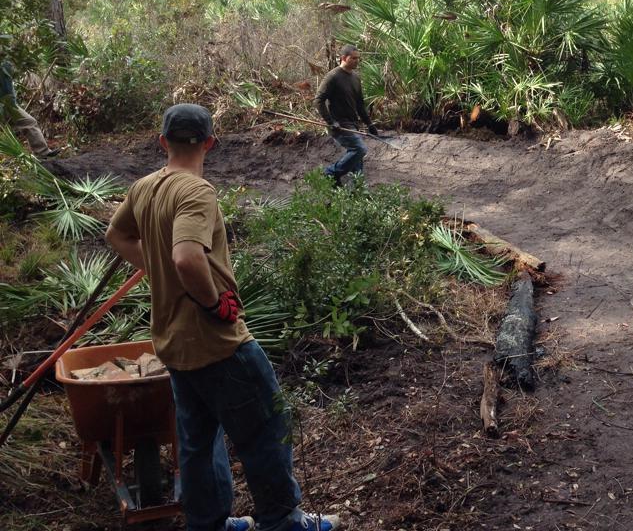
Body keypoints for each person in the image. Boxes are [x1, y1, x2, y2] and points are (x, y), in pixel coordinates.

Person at [106, 103, 341, 531]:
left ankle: (208, 524)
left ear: (163, 142)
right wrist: (215, 303)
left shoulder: (144, 187)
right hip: (217, 344)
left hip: (174, 346)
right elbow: (186, 258)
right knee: (268, 430)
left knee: (198, 443)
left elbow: (116, 235)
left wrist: (156, 272)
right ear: (211, 143)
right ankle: (284, 522)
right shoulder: (197, 192)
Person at [314, 45, 378, 185]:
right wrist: (330, 121)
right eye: (353, 58)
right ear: (343, 58)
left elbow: (360, 104)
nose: (357, 61)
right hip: (339, 125)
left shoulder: (356, 77)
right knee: (359, 149)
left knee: (357, 159)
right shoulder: (333, 76)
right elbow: (318, 101)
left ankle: (358, 189)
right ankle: (330, 172)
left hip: (353, 123)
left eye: (358, 58)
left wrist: (369, 123)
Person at [0, 58, 59, 158]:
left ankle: (42, 152)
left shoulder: (6, 61)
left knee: (29, 122)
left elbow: (9, 88)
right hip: (5, 103)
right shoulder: (4, 64)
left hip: (10, 104)